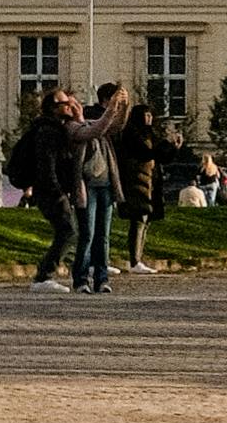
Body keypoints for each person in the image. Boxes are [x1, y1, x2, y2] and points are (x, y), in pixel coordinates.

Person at [14, 80, 85, 286]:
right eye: (65, 104)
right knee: (68, 231)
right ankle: (44, 274)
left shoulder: (53, 128)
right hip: (51, 191)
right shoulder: (49, 131)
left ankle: (48, 272)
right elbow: (47, 166)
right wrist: (57, 191)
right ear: (54, 108)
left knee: (68, 231)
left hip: (52, 190)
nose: (70, 106)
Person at [68, 81, 123, 293]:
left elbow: (116, 125)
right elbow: (99, 127)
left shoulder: (95, 124)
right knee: (88, 233)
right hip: (88, 186)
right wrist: (113, 107)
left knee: (104, 235)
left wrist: (123, 106)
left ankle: (102, 278)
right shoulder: (76, 128)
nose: (76, 108)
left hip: (106, 185)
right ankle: (81, 278)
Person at [111, 90, 167, 275]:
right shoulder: (133, 134)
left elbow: (159, 154)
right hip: (136, 181)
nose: (150, 118)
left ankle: (138, 258)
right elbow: (146, 152)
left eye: (151, 114)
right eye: (147, 114)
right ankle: (135, 260)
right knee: (139, 219)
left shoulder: (149, 133)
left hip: (149, 180)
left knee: (145, 219)